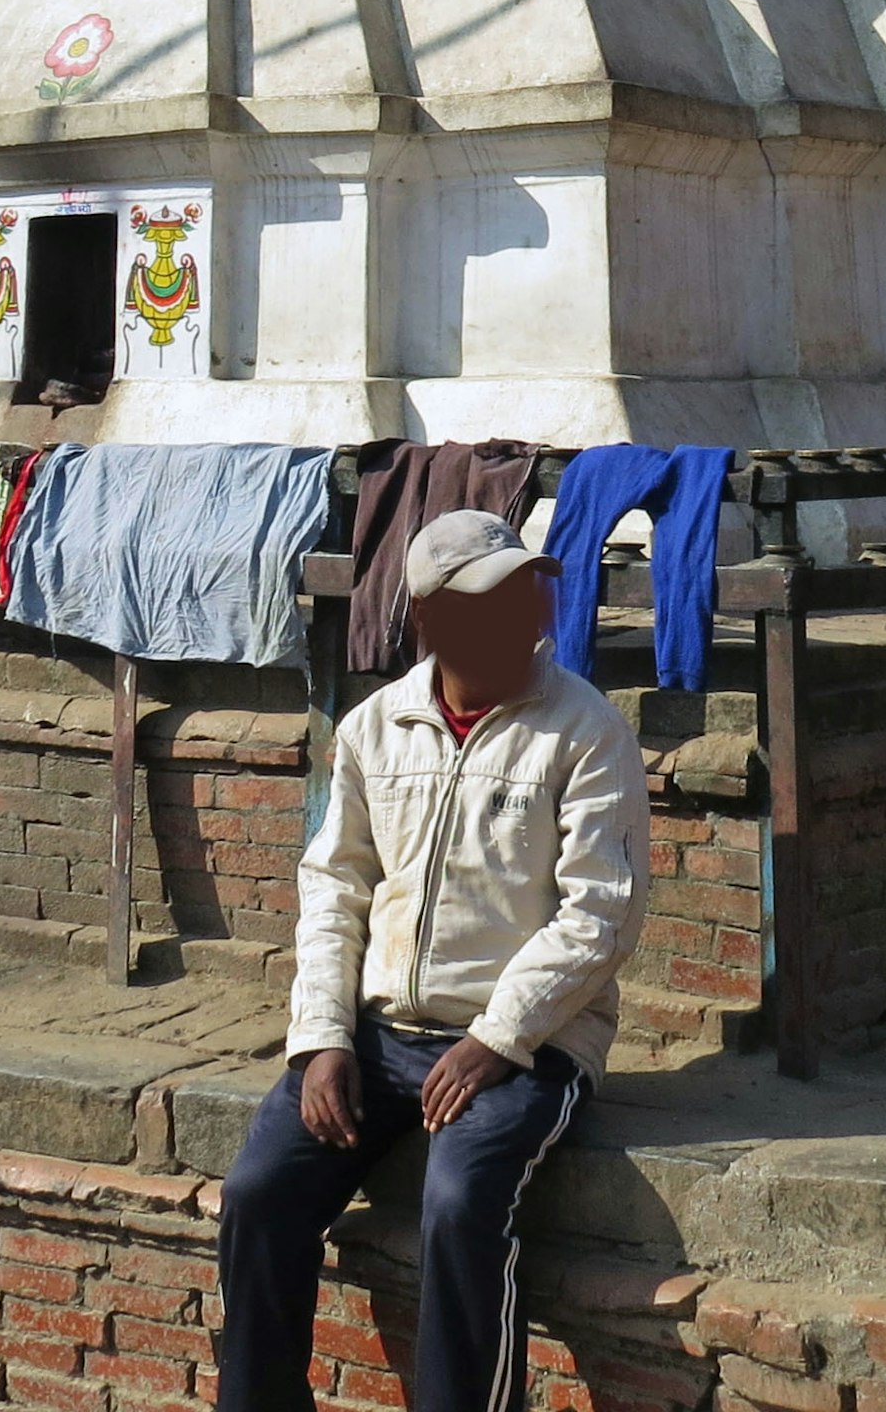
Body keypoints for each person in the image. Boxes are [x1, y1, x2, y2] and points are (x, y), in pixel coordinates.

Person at [219, 508, 651, 1412]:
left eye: (528, 594)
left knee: (459, 1207)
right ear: (432, 619)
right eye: (494, 600)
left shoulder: (584, 730)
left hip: (530, 1045)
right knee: (260, 1193)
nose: (528, 615)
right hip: (378, 1039)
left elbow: (601, 914)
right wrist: (322, 1040)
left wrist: (499, 1038)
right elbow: (333, 889)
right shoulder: (376, 729)